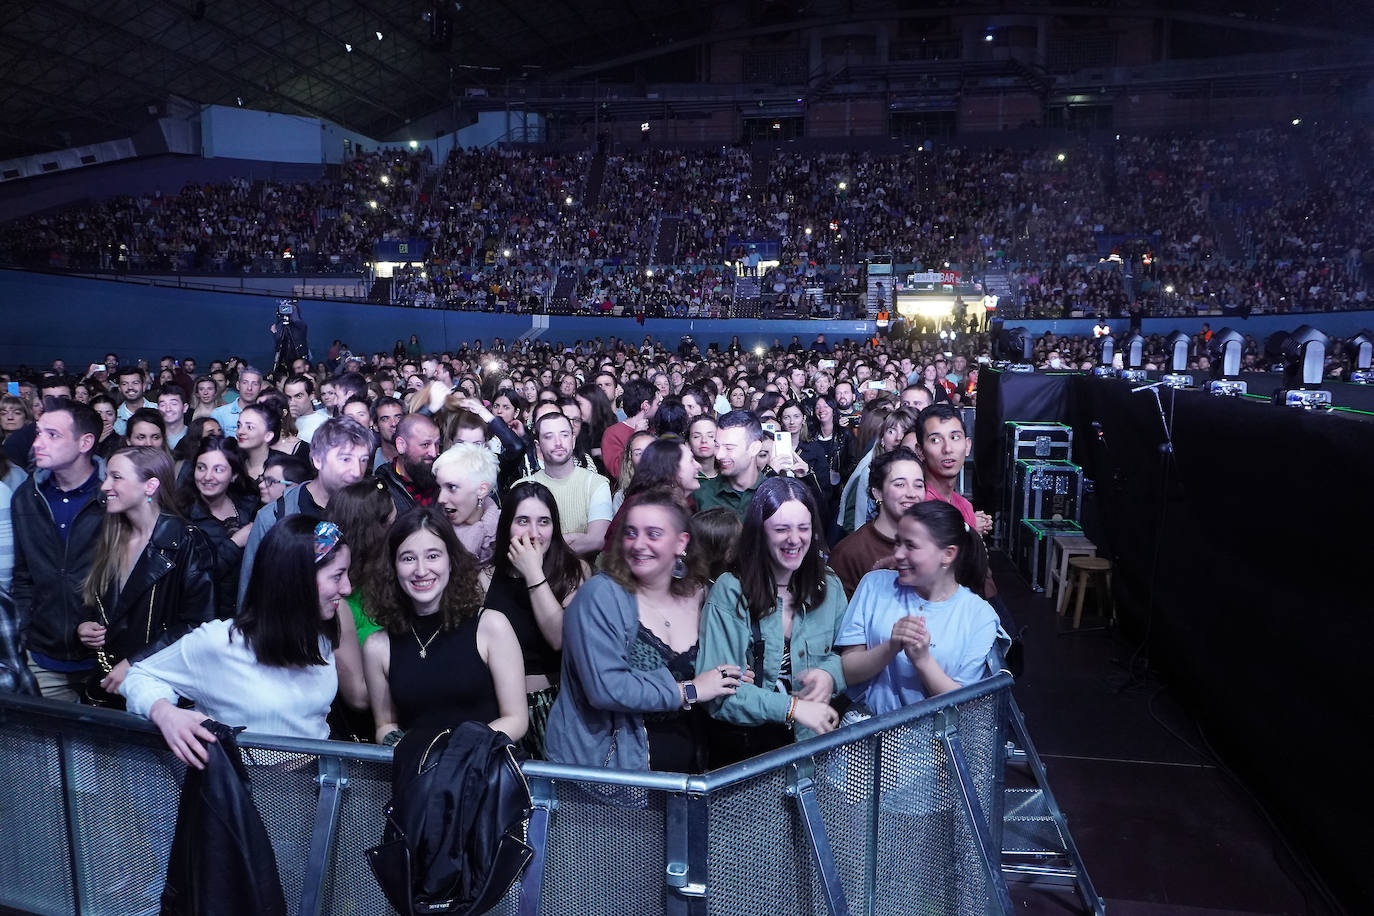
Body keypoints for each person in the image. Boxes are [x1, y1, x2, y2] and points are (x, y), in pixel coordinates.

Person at [121, 517, 368, 766]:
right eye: (337, 576)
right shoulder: (220, 642)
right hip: (248, 789)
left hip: (317, 781)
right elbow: (139, 676)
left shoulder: (321, 632)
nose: (347, 588)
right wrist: (165, 713)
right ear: (297, 579)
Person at [546, 489, 744, 772]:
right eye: (630, 533)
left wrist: (734, 674)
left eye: (653, 534)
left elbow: (718, 670)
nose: (639, 544)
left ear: (681, 542)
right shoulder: (600, 595)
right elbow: (606, 688)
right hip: (611, 779)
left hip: (693, 771)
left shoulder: (704, 594)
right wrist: (690, 690)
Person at [696, 477, 845, 765]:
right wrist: (792, 708)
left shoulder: (829, 585)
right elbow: (719, 696)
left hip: (813, 748)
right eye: (781, 529)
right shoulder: (731, 590)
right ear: (759, 533)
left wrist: (829, 674)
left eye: (803, 528)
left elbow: (844, 653)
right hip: (750, 757)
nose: (794, 539)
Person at [363, 508, 527, 745]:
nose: (421, 570)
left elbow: (516, 719)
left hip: (481, 771)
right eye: (408, 558)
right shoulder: (378, 646)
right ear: (393, 567)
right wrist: (401, 745)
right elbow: (385, 725)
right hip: (418, 776)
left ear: (451, 561)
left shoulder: (491, 626)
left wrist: (452, 755)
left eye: (432, 556)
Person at [76, 447, 215, 706]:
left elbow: (198, 626)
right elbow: (96, 602)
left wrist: (135, 663)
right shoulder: (110, 536)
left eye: (116, 477)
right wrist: (85, 626)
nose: (106, 485)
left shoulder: (186, 542)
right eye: (107, 476)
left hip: (159, 693)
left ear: (150, 486)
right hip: (105, 688)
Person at [836, 501, 1004, 714]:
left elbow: (966, 706)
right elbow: (847, 671)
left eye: (911, 546)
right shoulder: (874, 584)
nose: (897, 554)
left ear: (948, 554)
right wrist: (890, 647)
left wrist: (923, 661)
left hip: (932, 740)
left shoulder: (980, 615)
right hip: (868, 729)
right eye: (898, 543)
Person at [485, 480, 590, 758]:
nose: (534, 533)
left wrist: (533, 573)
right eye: (522, 521)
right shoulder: (485, 578)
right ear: (506, 525)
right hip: (501, 710)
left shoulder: (573, 571)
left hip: (556, 706)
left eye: (543, 521)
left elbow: (559, 638)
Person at [11, 399, 107, 700]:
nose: (38, 443)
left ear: (85, 442)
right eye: (38, 433)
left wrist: (108, 627)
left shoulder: (113, 495)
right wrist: (26, 629)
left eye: (52, 435)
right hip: (43, 654)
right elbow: (24, 575)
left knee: (108, 744)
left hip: (107, 656)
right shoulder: (26, 497)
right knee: (50, 745)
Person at [238, 417, 372, 604]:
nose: (357, 471)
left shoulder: (371, 511)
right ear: (317, 459)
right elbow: (251, 590)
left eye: (363, 460)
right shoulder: (275, 516)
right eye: (345, 459)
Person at [828, 447, 925, 597]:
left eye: (918, 485)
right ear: (877, 492)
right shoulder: (849, 553)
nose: (912, 493)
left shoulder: (932, 544)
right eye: (900, 484)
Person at [180, 436, 258, 620]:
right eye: (201, 468)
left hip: (248, 616)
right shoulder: (183, 515)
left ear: (234, 475)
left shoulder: (249, 504)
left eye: (218, 469)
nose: (207, 477)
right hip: (206, 621)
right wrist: (235, 542)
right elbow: (194, 578)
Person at [517, 412, 612, 557]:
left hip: (585, 576)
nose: (558, 442)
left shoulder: (596, 484)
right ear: (538, 445)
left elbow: (597, 540)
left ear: (573, 441)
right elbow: (519, 544)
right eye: (549, 436)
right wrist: (576, 537)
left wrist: (544, 547)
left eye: (564, 435)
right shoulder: (522, 487)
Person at [915, 404, 991, 536]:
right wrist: (969, 528)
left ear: (967, 446)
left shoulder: (964, 505)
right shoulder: (918, 504)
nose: (948, 449)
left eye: (955, 437)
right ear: (920, 451)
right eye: (935, 440)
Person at [434, 442, 501, 569]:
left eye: (452, 487)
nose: (441, 499)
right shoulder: (432, 532)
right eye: (439, 487)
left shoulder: (507, 531)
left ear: (481, 490)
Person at [694, 409, 766, 519]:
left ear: (754, 448)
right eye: (717, 446)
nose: (719, 455)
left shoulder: (773, 494)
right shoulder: (702, 495)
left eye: (729, 448)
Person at [377, 413, 441, 513]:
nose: (434, 453)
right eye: (425, 444)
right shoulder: (383, 487)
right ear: (401, 445)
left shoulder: (443, 478)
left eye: (437, 444)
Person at [601, 378, 658, 474]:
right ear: (646, 406)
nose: (659, 408)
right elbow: (618, 471)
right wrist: (636, 438)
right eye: (657, 404)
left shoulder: (653, 429)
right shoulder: (612, 434)